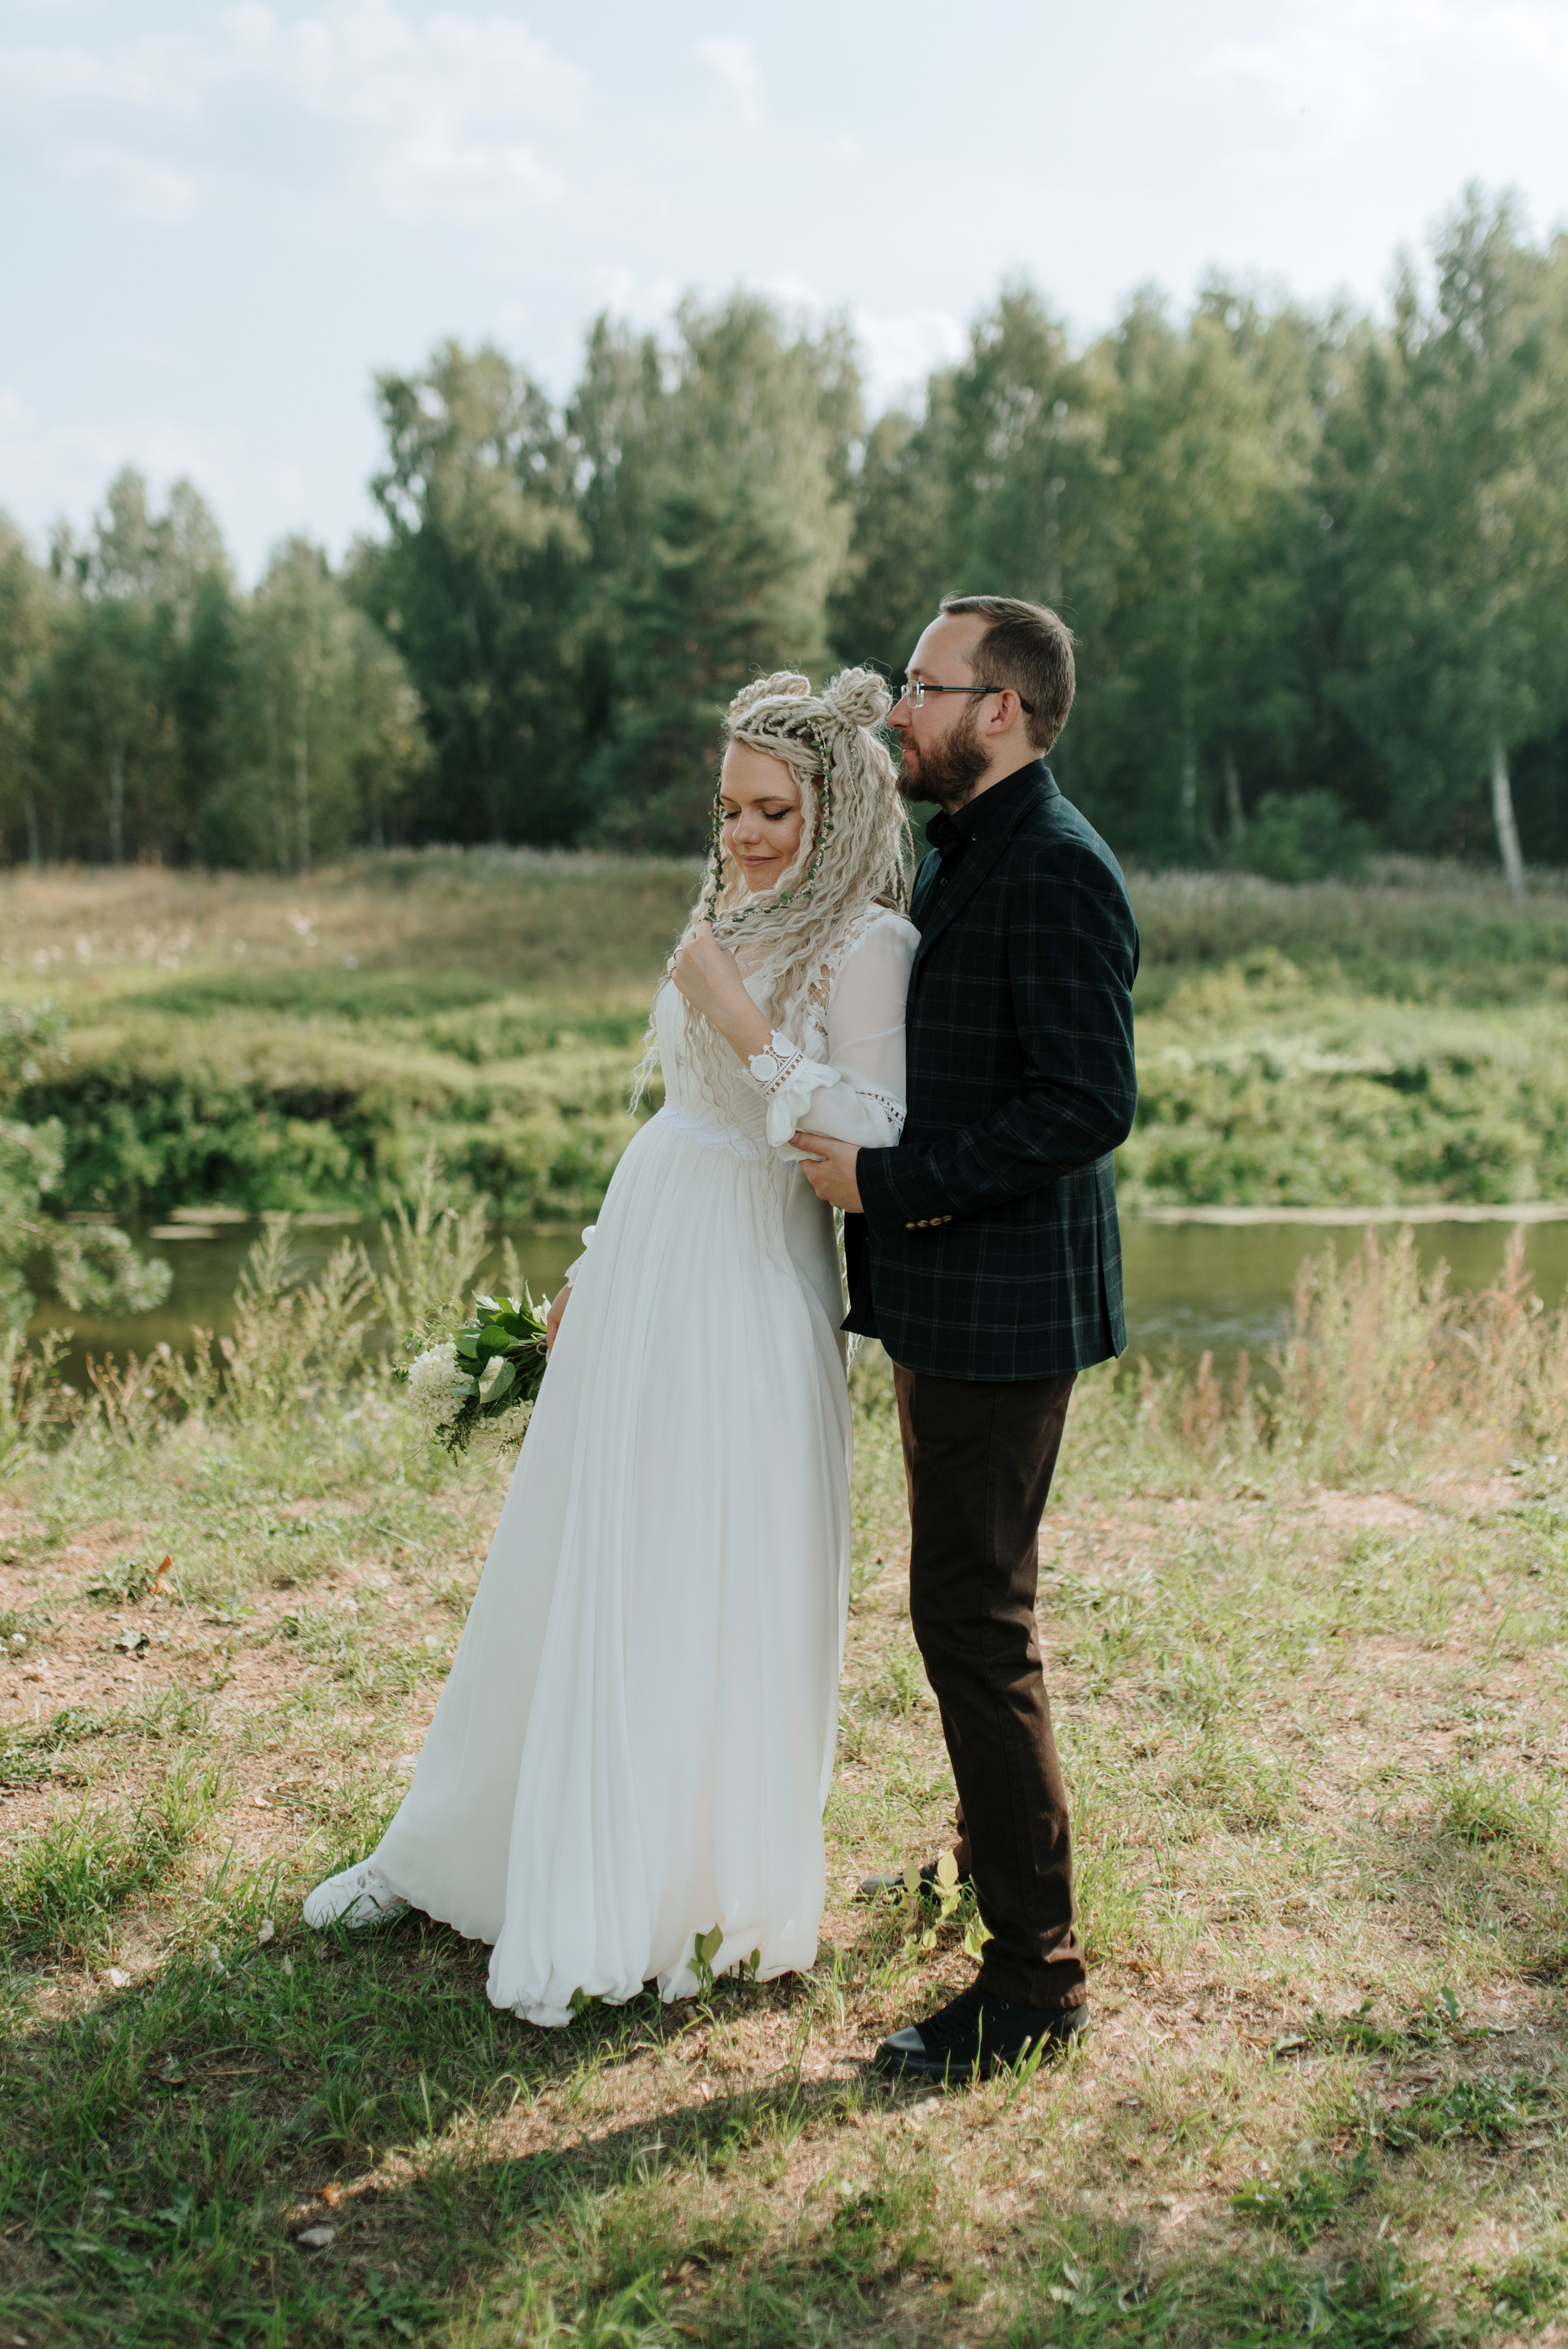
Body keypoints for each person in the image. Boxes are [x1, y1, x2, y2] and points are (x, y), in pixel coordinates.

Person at [304, 669, 919, 2027]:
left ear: (833, 804)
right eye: (729, 808)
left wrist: (742, 1018)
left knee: (696, 1565)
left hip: (748, 1283)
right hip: (648, 1249)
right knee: (578, 1543)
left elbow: (869, 1133)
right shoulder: (727, 908)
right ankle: (464, 1841)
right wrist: (589, 1265)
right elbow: (669, 1111)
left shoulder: (865, 943)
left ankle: (663, 1882)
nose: (744, 835)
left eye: (772, 809)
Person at [794, 596, 1139, 2084]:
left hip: (1004, 1313)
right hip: (950, 1302)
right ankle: (975, 1871)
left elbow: (1083, 1104)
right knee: (962, 1609)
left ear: (997, 709)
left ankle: (1033, 1982)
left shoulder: (1056, 870)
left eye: (922, 690)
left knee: (972, 1625)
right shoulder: (964, 850)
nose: (897, 715)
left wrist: (889, 1186)